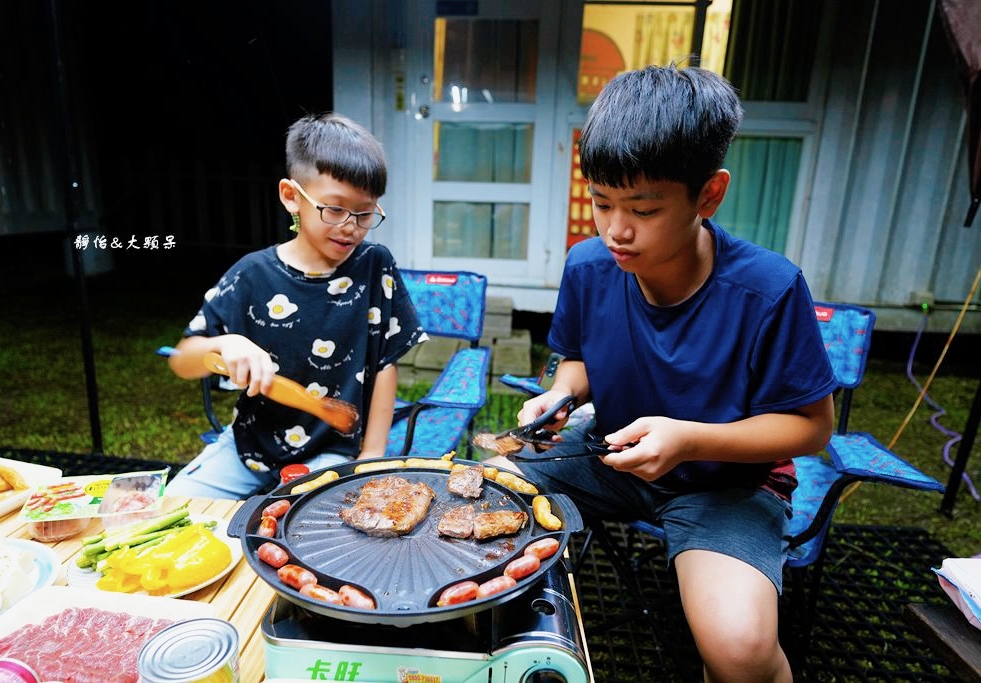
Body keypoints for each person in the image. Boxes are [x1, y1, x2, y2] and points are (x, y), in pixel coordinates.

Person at [487, 65, 837, 682]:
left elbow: (811, 429)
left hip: (725, 484)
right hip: (610, 455)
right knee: (480, 500)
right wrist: (563, 393)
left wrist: (691, 439)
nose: (616, 230)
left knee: (740, 650)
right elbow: (579, 360)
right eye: (600, 203)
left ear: (708, 195)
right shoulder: (590, 266)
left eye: (643, 209)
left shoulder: (768, 289)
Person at [165, 112, 425, 499]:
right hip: (248, 446)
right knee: (176, 504)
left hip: (333, 449)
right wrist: (224, 343)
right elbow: (182, 360)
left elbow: (384, 364)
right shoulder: (251, 274)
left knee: (303, 528)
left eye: (365, 212)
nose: (350, 226)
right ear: (291, 197)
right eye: (334, 209)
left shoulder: (375, 265)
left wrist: (371, 455)